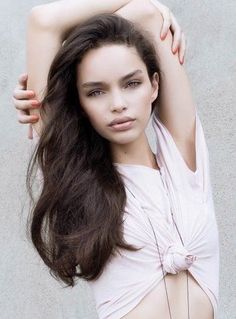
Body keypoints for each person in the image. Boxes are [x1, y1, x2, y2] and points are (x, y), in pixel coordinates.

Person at [12, 1, 220, 319]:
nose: (118, 104)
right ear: (79, 102)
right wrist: (61, 73)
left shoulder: (187, 167)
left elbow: (147, 17)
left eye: (131, 83)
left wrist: (146, 7)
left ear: (154, 85)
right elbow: (44, 22)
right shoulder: (77, 178)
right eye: (96, 91)